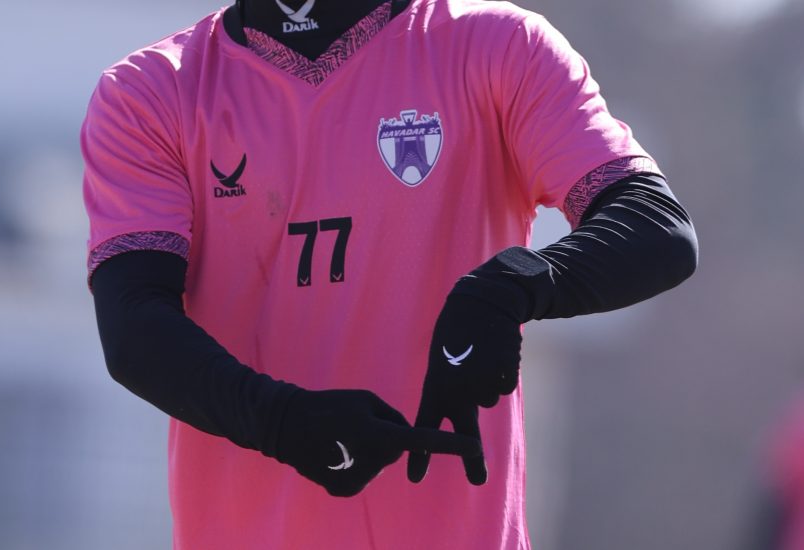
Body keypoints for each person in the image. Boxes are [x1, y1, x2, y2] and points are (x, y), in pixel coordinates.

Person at [81, 0, 698, 547]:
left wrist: (510, 286)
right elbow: (134, 327)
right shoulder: (150, 92)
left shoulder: (500, 46)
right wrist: (282, 422)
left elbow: (655, 225)